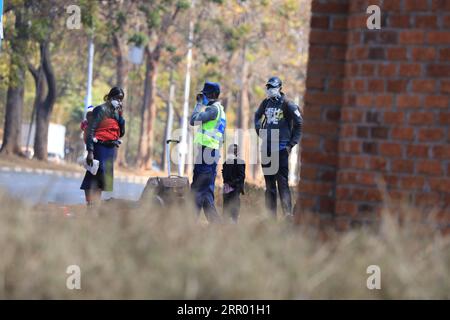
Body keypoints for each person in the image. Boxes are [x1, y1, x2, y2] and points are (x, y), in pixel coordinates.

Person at [254, 76, 302, 218]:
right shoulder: (266, 103)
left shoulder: (288, 104)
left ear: (280, 88)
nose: (270, 90)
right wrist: (259, 130)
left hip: (281, 149)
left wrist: (291, 144)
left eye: (273, 87)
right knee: (269, 185)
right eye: (268, 87)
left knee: (282, 183)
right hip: (267, 148)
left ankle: (287, 214)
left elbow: (300, 124)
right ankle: (270, 217)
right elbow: (257, 116)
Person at [80, 87, 126, 206]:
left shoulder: (116, 113)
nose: (119, 101)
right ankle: (90, 203)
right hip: (99, 146)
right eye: (117, 98)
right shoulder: (100, 109)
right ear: (110, 97)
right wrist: (90, 151)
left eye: (121, 99)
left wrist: (120, 116)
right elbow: (91, 130)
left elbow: (121, 132)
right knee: (94, 174)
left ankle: (96, 203)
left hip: (110, 149)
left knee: (103, 178)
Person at [190, 81, 226, 223]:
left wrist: (198, 104)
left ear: (211, 95)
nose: (202, 97)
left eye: (204, 94)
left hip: (207, 153)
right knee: (207, 193)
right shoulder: (221, 111)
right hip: (212, 153)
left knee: (197, 190)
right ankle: (218, 226)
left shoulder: (213, 110)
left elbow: (193, 120)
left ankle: (189, 223)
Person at [222, 143, 245, 223]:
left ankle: (227, 223)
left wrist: (228, 183)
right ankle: (233, 222)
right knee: (234, 205)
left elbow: (224, 175)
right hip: (234, 187)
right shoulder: (240, 162)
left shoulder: (225, 163)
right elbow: (242, 176)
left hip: (228, 187)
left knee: (227, 206)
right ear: (237, 152)